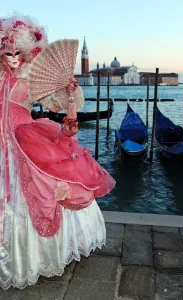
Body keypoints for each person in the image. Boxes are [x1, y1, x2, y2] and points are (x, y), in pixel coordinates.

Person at [0, 14, 115, 290]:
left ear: (27, 54)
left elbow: (57, 104)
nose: (12, 57)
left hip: (25, 141)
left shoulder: (31, 79)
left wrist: (70, 92)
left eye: (17, 53)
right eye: (7, 52)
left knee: (37, 190)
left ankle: (36, 255)